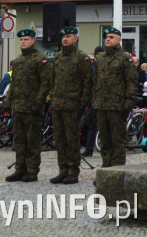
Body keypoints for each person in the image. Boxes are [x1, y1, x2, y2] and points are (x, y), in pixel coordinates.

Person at [4, 29, 51, 182]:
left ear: (32, 41)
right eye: (21, 40)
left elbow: (45, 84)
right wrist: (8, 101)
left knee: (33, 141)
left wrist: (38, 102)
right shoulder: (17, 61)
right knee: (19, 141)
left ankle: (32, 170)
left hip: (32, 108)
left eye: (25, 39)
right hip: (18, 107)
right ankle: (20, 168)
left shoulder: (40, 59)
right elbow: (14, 83)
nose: (22, 42)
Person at [50, 26, 92, 185]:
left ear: (76, 38)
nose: (65, 39)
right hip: (58, 104)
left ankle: (73, 171)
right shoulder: (58, 57)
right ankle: (62, 170)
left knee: (72, 139)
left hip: (73, 105)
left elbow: (87, 82)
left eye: (68, 36)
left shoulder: (82, 58)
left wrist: (83, 103)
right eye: (63, 36)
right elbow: (52, 80)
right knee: (59, 139)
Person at [91, 26, 137, 168]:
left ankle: (116, 173)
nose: (108, 39)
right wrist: (94, 101)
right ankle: (106, 171)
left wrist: (128, 104)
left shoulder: (125, 58)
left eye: (111, 37)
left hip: (117, 107)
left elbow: (131, 82)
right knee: (104, 141)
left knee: (117, 142)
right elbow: (95, 81)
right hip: (101, 106)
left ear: (119, 40)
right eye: (106, 37)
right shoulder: (101, 59)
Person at [82, 45, 104, 157]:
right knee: (91, 124)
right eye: (98, 54)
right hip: (92, 99)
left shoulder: (107, 67)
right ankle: (89, 149)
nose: (99, 56)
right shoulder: (91, 67)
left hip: (104, 100)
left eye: (101, 54)